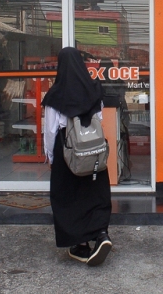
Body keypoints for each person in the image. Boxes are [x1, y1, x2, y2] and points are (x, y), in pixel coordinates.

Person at [42, 47, 113, 266]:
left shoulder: (55, 95)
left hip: (68, 154)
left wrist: (51, 158)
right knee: (94, 193)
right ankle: (100, 233)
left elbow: (51, 131)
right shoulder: (94, 90)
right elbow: (98, 119)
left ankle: (79, 244)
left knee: (68, 198)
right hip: (92, 153)